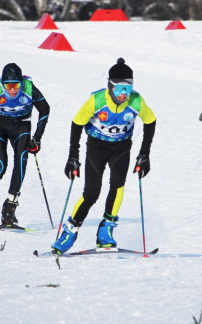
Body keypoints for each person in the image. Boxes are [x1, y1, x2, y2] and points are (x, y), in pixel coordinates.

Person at [51, 58, 156, 253]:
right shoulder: (97, 100)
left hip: (121, 148)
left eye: (128, 88)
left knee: (118, 186)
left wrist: (144, 154)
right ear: (110, 86)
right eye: (119, 89)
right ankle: (70, 230)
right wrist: (73, 156)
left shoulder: (136, 101)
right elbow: (77, 124)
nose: (124, 94)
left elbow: (150, 121)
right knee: (92, 193)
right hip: (96, 148)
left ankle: (106, 230)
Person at [0, 63, 50, 228]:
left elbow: (45, 109)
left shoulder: (29, 88)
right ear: (3, 83)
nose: (12, 89)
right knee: (0, 165)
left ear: (21, 82)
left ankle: (10, 208)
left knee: (21, 161)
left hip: (21, 125)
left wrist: (37, 138)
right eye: (8, 85)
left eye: (16, 85)